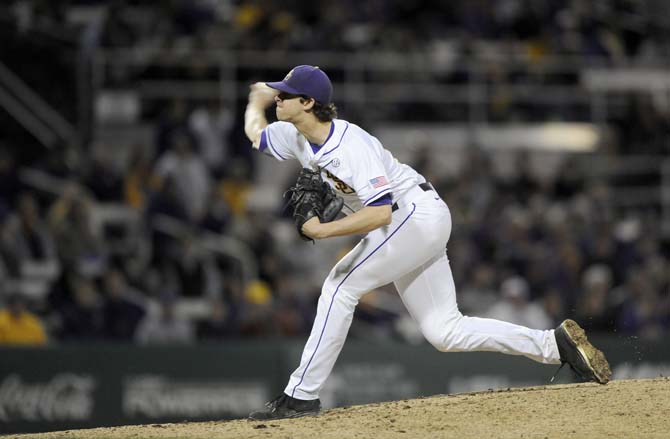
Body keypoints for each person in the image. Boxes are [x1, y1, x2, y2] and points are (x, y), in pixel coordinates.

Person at [243, 65, 611, 420]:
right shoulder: (296, 136)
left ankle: (301, 395)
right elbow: (256, 134)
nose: (278, 97)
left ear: (308, 102)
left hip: (413, 215)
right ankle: (553, 345)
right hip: (411, 224)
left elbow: (380, 214)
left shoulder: (350, 144)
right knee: (444, 331)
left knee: (340, 286)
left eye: (286, 94)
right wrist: (254, 103)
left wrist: (321, 231)